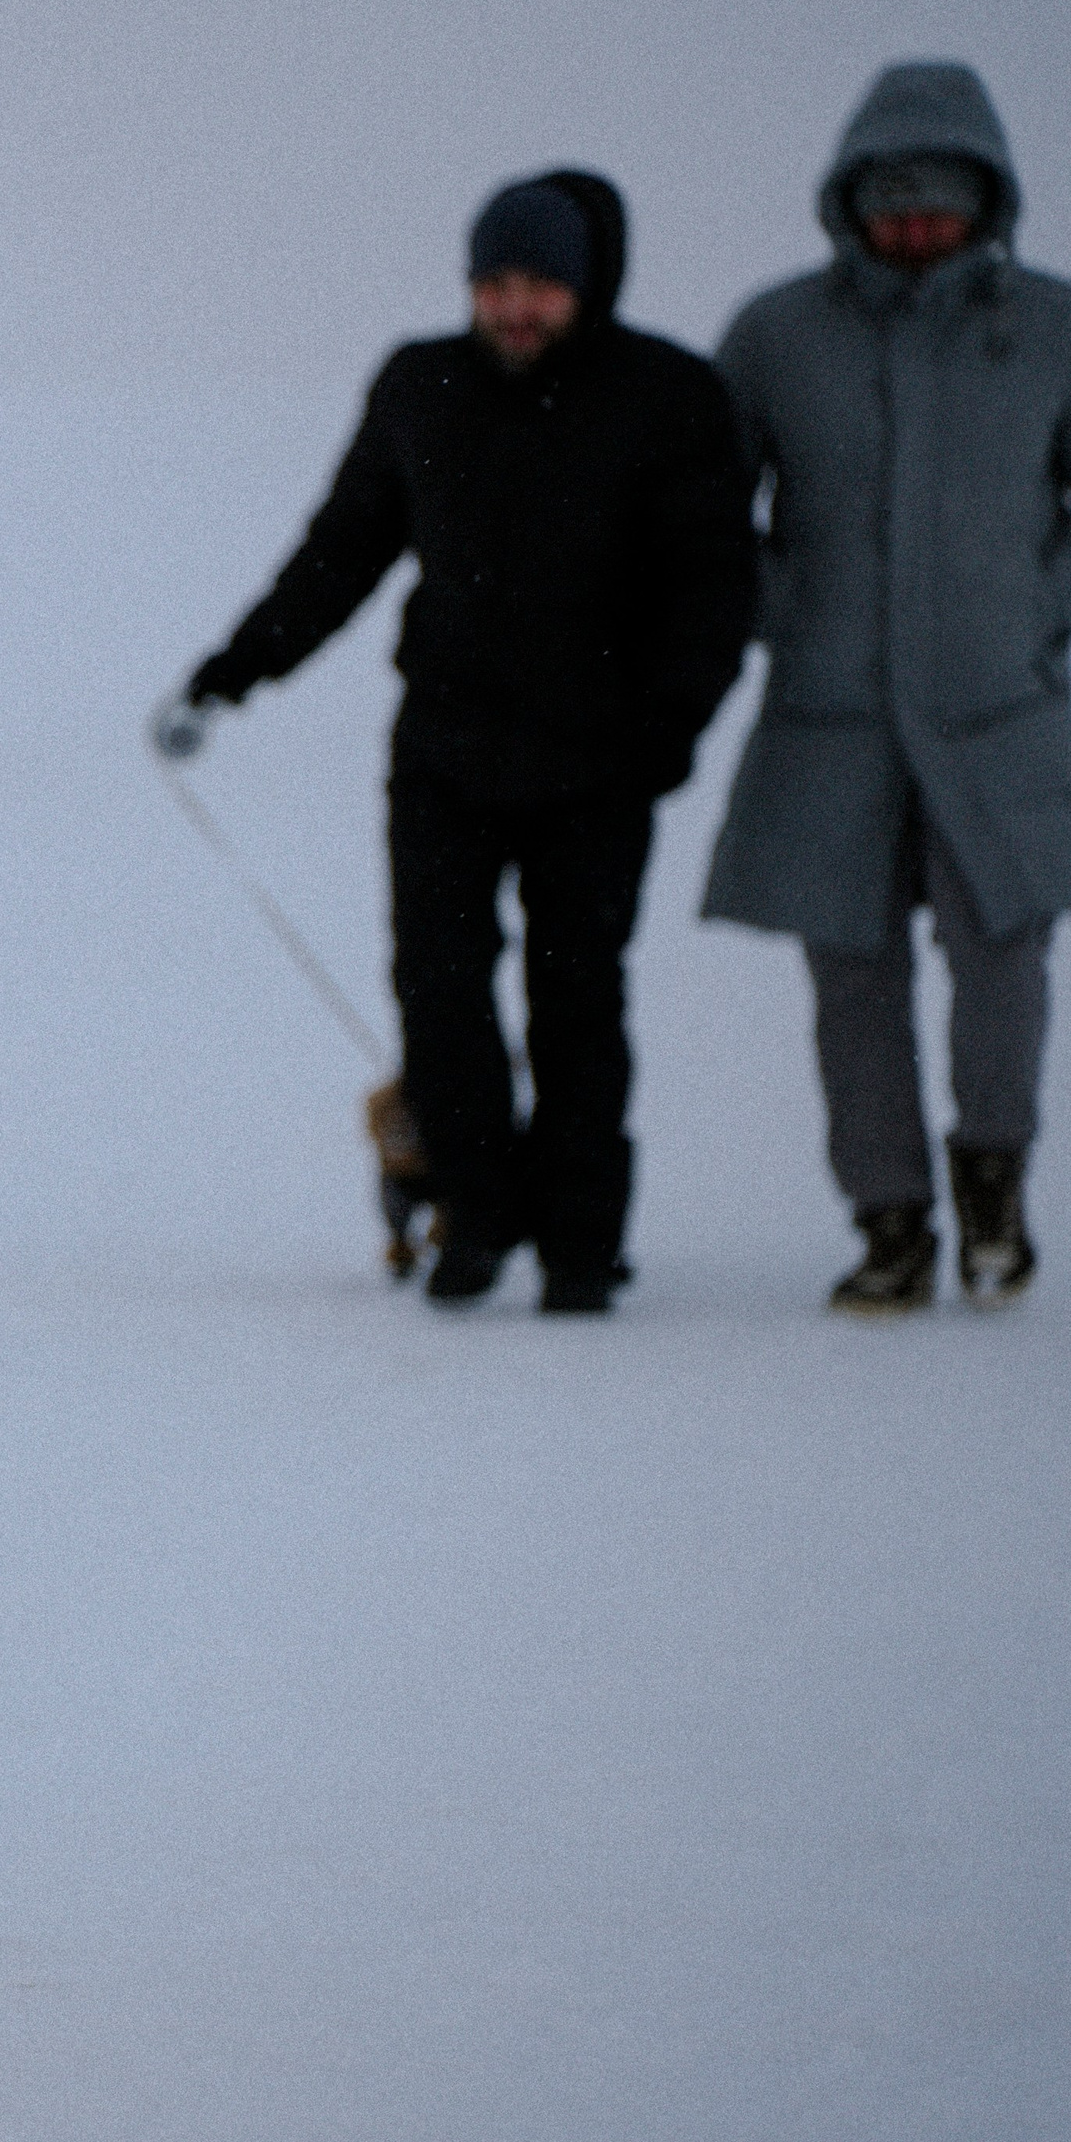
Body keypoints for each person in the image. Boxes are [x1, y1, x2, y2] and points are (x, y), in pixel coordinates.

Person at [155, 172, 756, 1313]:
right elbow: (343, 549)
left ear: (588, 286)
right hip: (446, 753)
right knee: (438, 991)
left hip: (598, 763)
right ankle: (472, 1218)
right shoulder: (420, 385)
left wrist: (668, 729)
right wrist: (233, 671)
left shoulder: (666, 397)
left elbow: (714, 586)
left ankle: (581, 1243)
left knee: (576, 999)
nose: (514, 309)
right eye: (494, 284)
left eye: (540, 286)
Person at [701, 62, 1071, 1312]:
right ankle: (888, 1219)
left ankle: (993, 1180)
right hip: (831, 718)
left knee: (1003, 952)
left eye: (939, 209)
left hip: (997, 712)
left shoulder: (1058, 329)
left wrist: (1042, 605)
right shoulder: (776, 334)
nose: (914, 233)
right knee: (851, 979)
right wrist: (780, 607)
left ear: (986, 203)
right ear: (849, 202)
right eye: (892, 208)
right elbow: (699, 502)